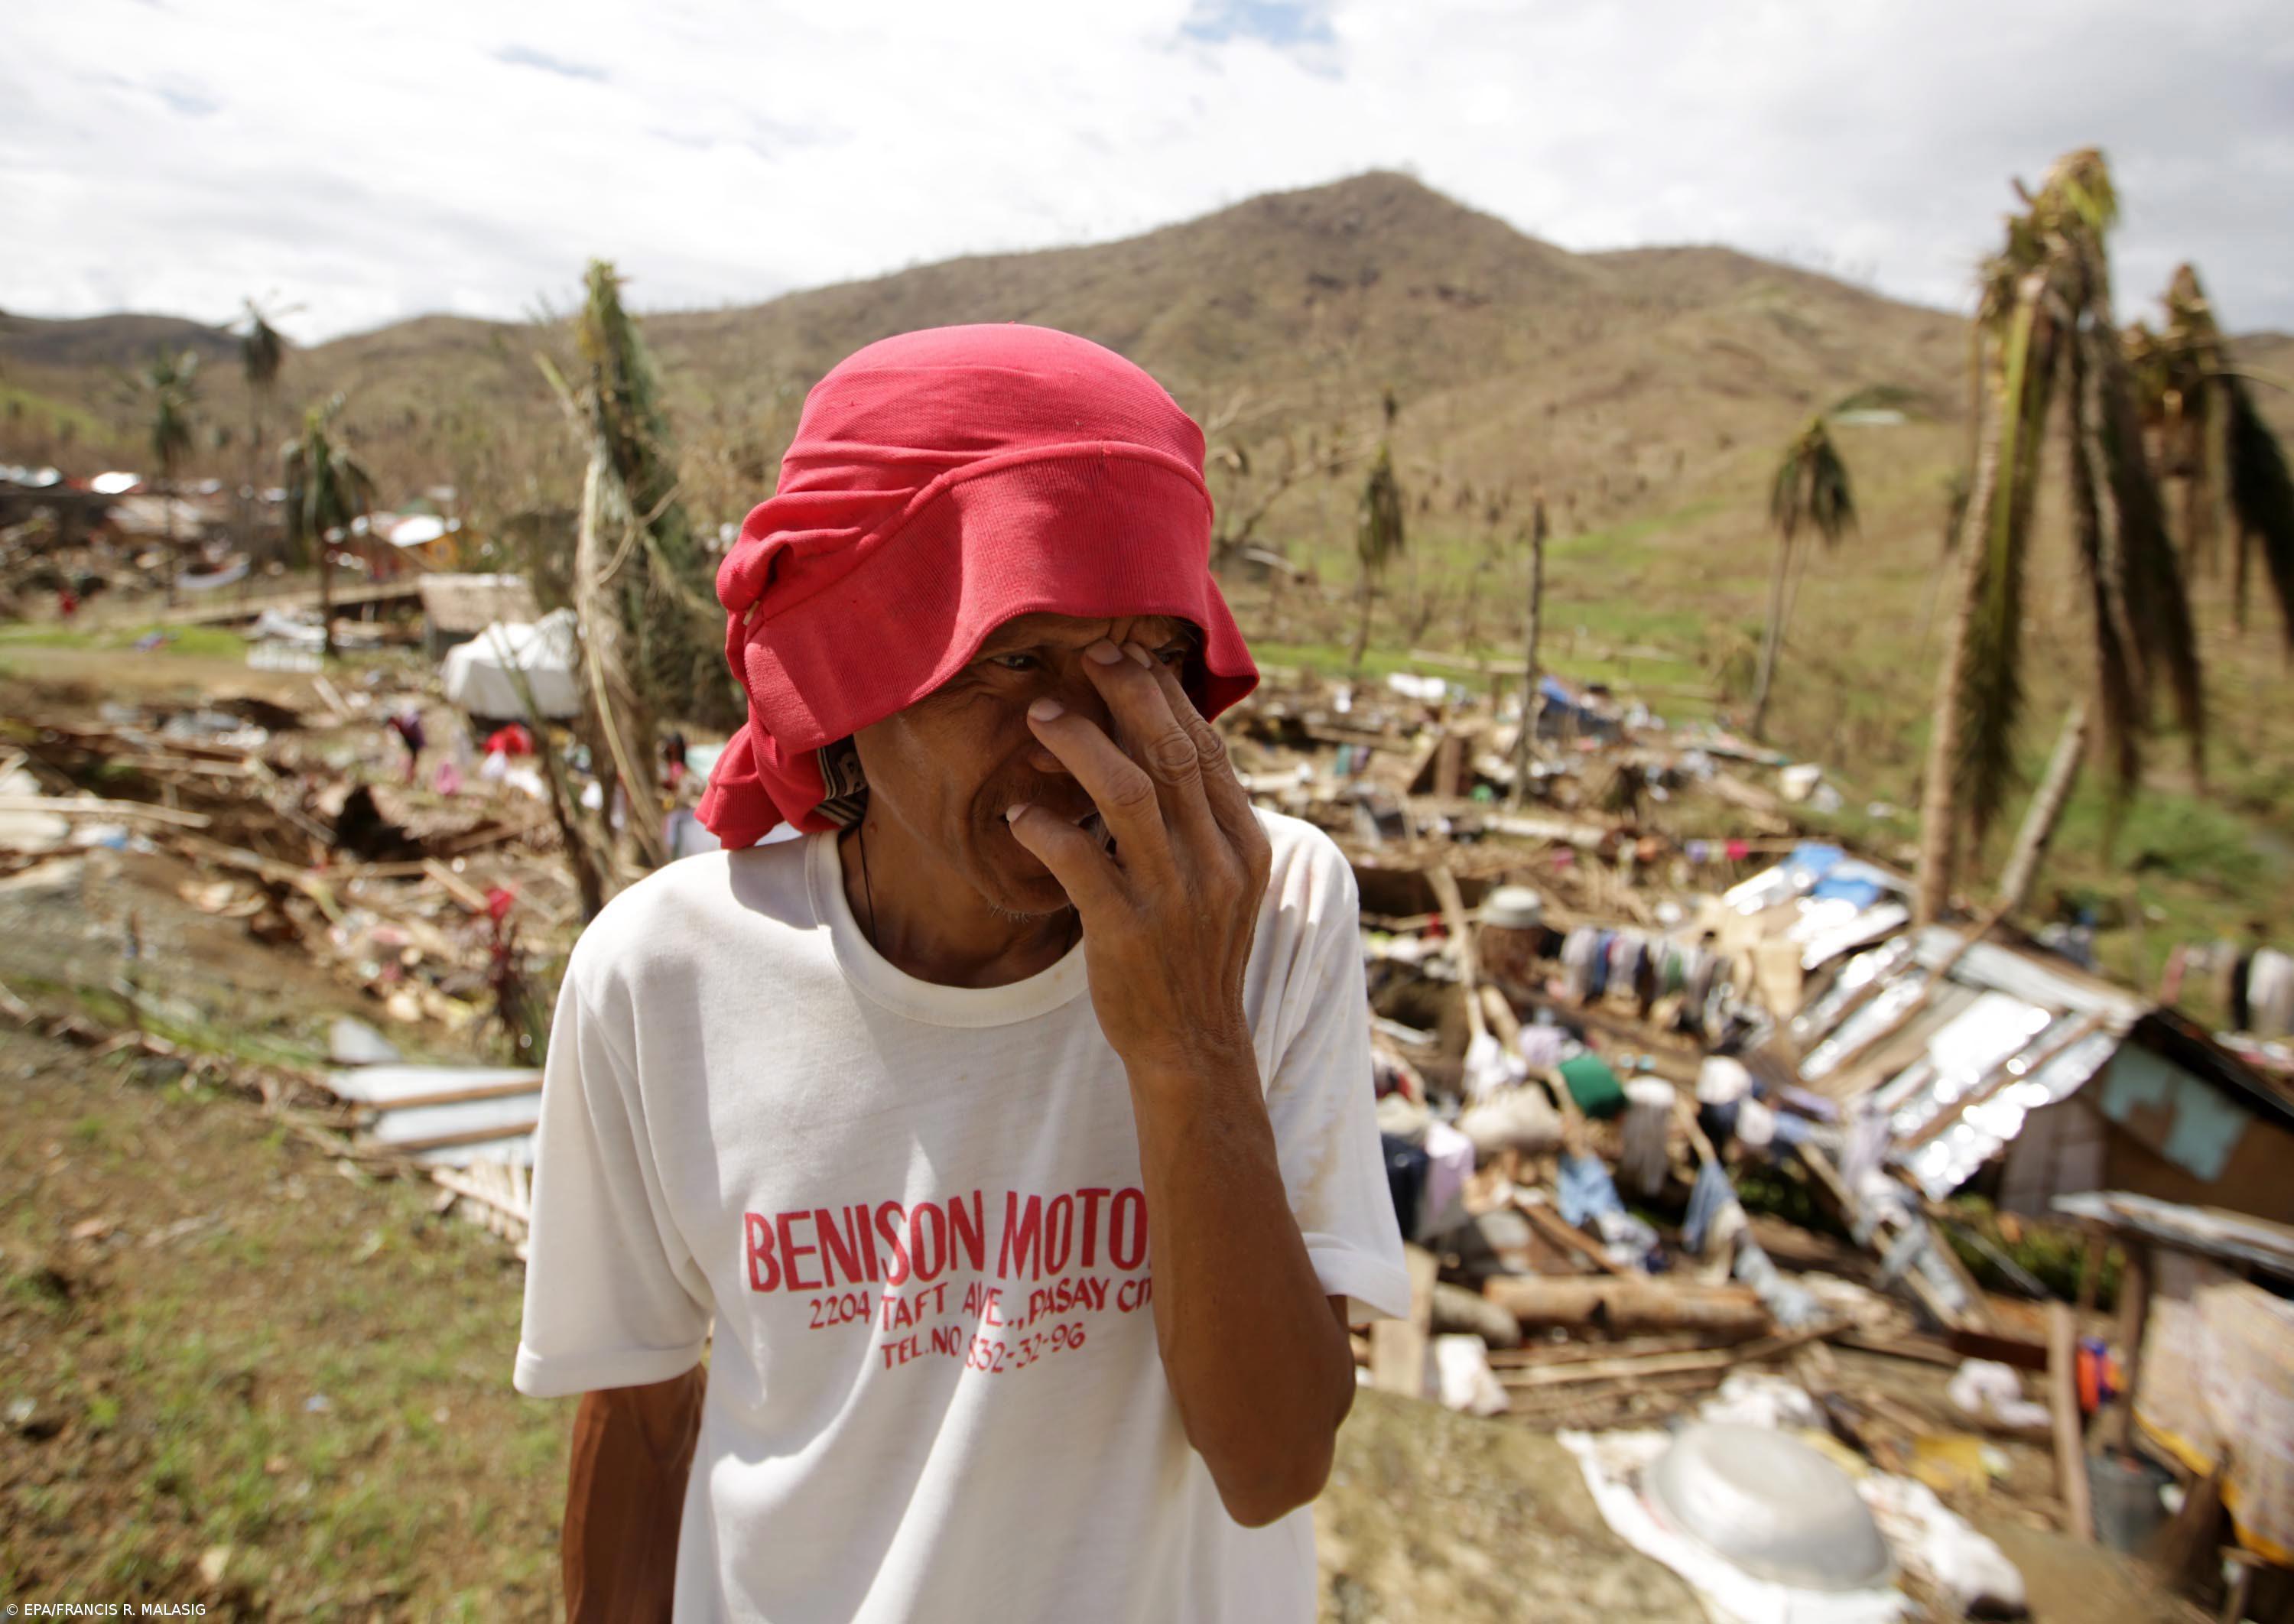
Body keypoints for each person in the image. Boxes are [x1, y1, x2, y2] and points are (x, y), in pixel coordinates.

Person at [513, 325, 1409, 1622]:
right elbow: (644, 1425)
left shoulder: (1269, 911)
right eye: (1012, 658)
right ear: (848, 666)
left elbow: (1272, 1464)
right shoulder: (663, 978)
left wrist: (1186, 1040)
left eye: (1147, 658)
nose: (1090, 738)